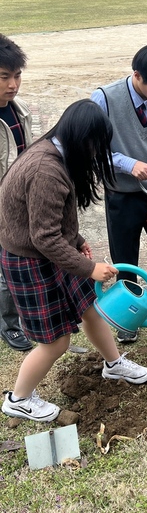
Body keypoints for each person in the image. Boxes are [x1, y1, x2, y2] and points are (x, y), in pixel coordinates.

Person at [0, 100, 147, 422]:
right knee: (56, 342)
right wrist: (90, 268)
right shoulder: (47, 170)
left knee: (89, 309)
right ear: (82, 139)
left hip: (50, 249)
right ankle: (18, 399)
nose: (99, 155)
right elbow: (44, 237)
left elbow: (49, 222)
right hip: (29, 260)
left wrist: (78, 241)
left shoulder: (59, 153)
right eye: (97, 147)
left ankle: (113, 364)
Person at [91, 44, 147, 344]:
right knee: (125, 259)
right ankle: (128, 319)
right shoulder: (104, 99)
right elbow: (94, 152)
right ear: (137, 76)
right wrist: (128, 164)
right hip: (121, 194)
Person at [0, 34, 33, 351]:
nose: (13, 84)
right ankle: (9, 325)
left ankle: (28, 316)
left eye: (17, 75)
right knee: (4, 269)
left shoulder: (18, 109)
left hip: (21, 201)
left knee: (25, 260)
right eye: (4, 77)